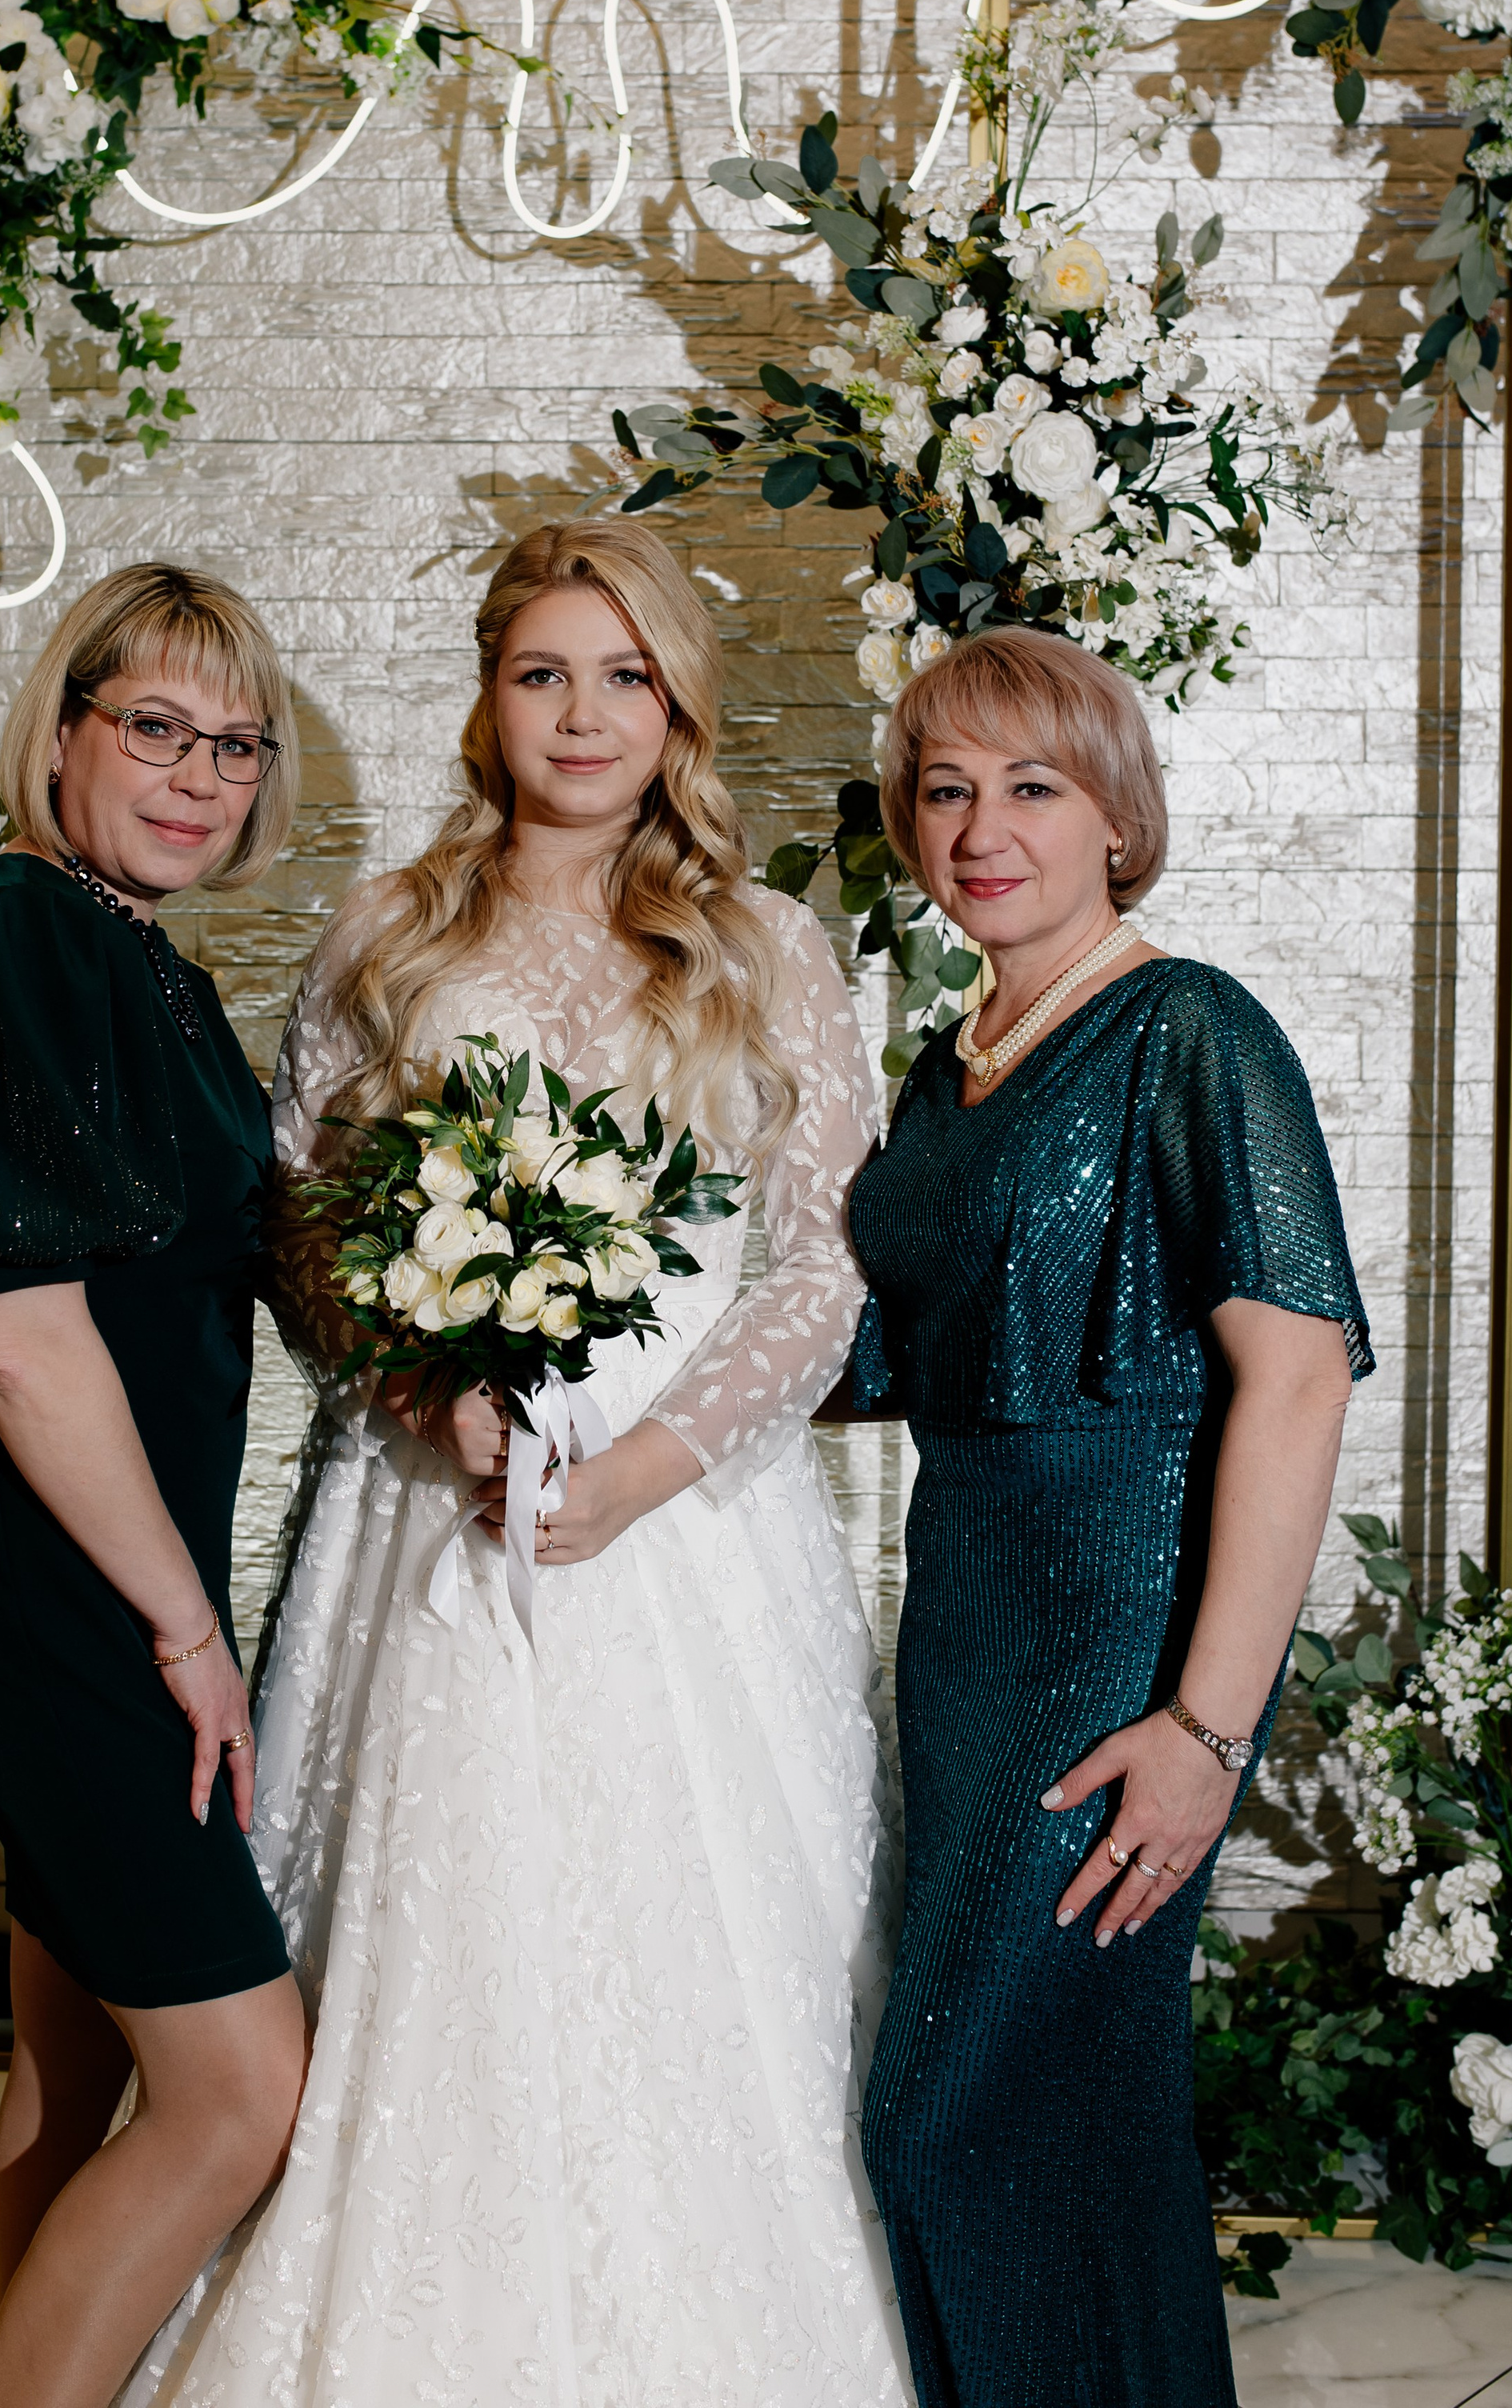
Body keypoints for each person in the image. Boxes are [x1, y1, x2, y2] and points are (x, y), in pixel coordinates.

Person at [126, 518, 913, 2406]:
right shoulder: (392, 930)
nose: (582, 713)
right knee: (443, 1944)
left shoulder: (765, 944)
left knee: (705, 1962)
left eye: (623, 674)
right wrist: (429, 1398)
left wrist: (647, 1462)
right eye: (541, 669)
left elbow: (816, 1261)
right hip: (438, 1513)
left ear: (676, 706)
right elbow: (310, 1232)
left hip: (689, 1530)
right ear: (487, 694)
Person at [846, 626, 1371, 2408]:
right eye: (945, 789)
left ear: (1114, 817)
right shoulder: (943, 1072)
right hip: (966, 1622)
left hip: (1125, 1638)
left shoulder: (1189, 1029)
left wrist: (1206, 1728)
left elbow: (1296, 1377)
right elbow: (856, 1355)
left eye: (1032, 786)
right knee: (1068, 2121)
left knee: (949, 2114)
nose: (982, 827)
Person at [0, 563, 310, 2408]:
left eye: (235, 742)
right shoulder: (24, 937)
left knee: (74, 2059)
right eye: (155, 728)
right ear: (61, 735)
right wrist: (183, 1628)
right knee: (235, 2086)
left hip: (87, 1576)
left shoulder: (137, 959)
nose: (198, 773)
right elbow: (21, 1341)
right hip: (79, 1595)